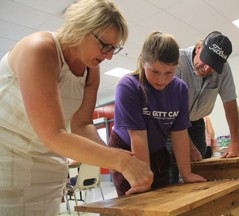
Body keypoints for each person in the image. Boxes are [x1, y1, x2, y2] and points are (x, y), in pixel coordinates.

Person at [0, 0, 153, 215]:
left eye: (114, 49)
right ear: (81, 29)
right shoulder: (39, 49)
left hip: (49, 165)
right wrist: (119, 162)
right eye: (105, 46)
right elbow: (52, 134)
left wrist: (115, 154)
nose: (109, 55)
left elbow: (82, 124)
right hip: (7, 160)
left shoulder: (92, 69)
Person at [108, 31, 206, 196]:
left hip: (157, 148)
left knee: (163, 196)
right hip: (128, 149)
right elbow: (138, 136)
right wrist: (144, 180)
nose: (161, 79)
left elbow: (179, 133)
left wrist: (186, 174)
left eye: (169, 73)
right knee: (139, 200)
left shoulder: (180, 88)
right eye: (154, 72)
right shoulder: (129, 86)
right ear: (142, 62)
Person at [175, 31, 239, 159]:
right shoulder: (178, 61)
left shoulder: (224, 69)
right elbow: (172, 108)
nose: (206, 69)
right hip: (172, 122)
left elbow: (230, 104)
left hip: (196, 123)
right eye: (206, 61)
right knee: (172, 167)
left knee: (199, 167)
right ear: (199, 47)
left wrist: (235, 142)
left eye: (213, 66)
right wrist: (189, 146)